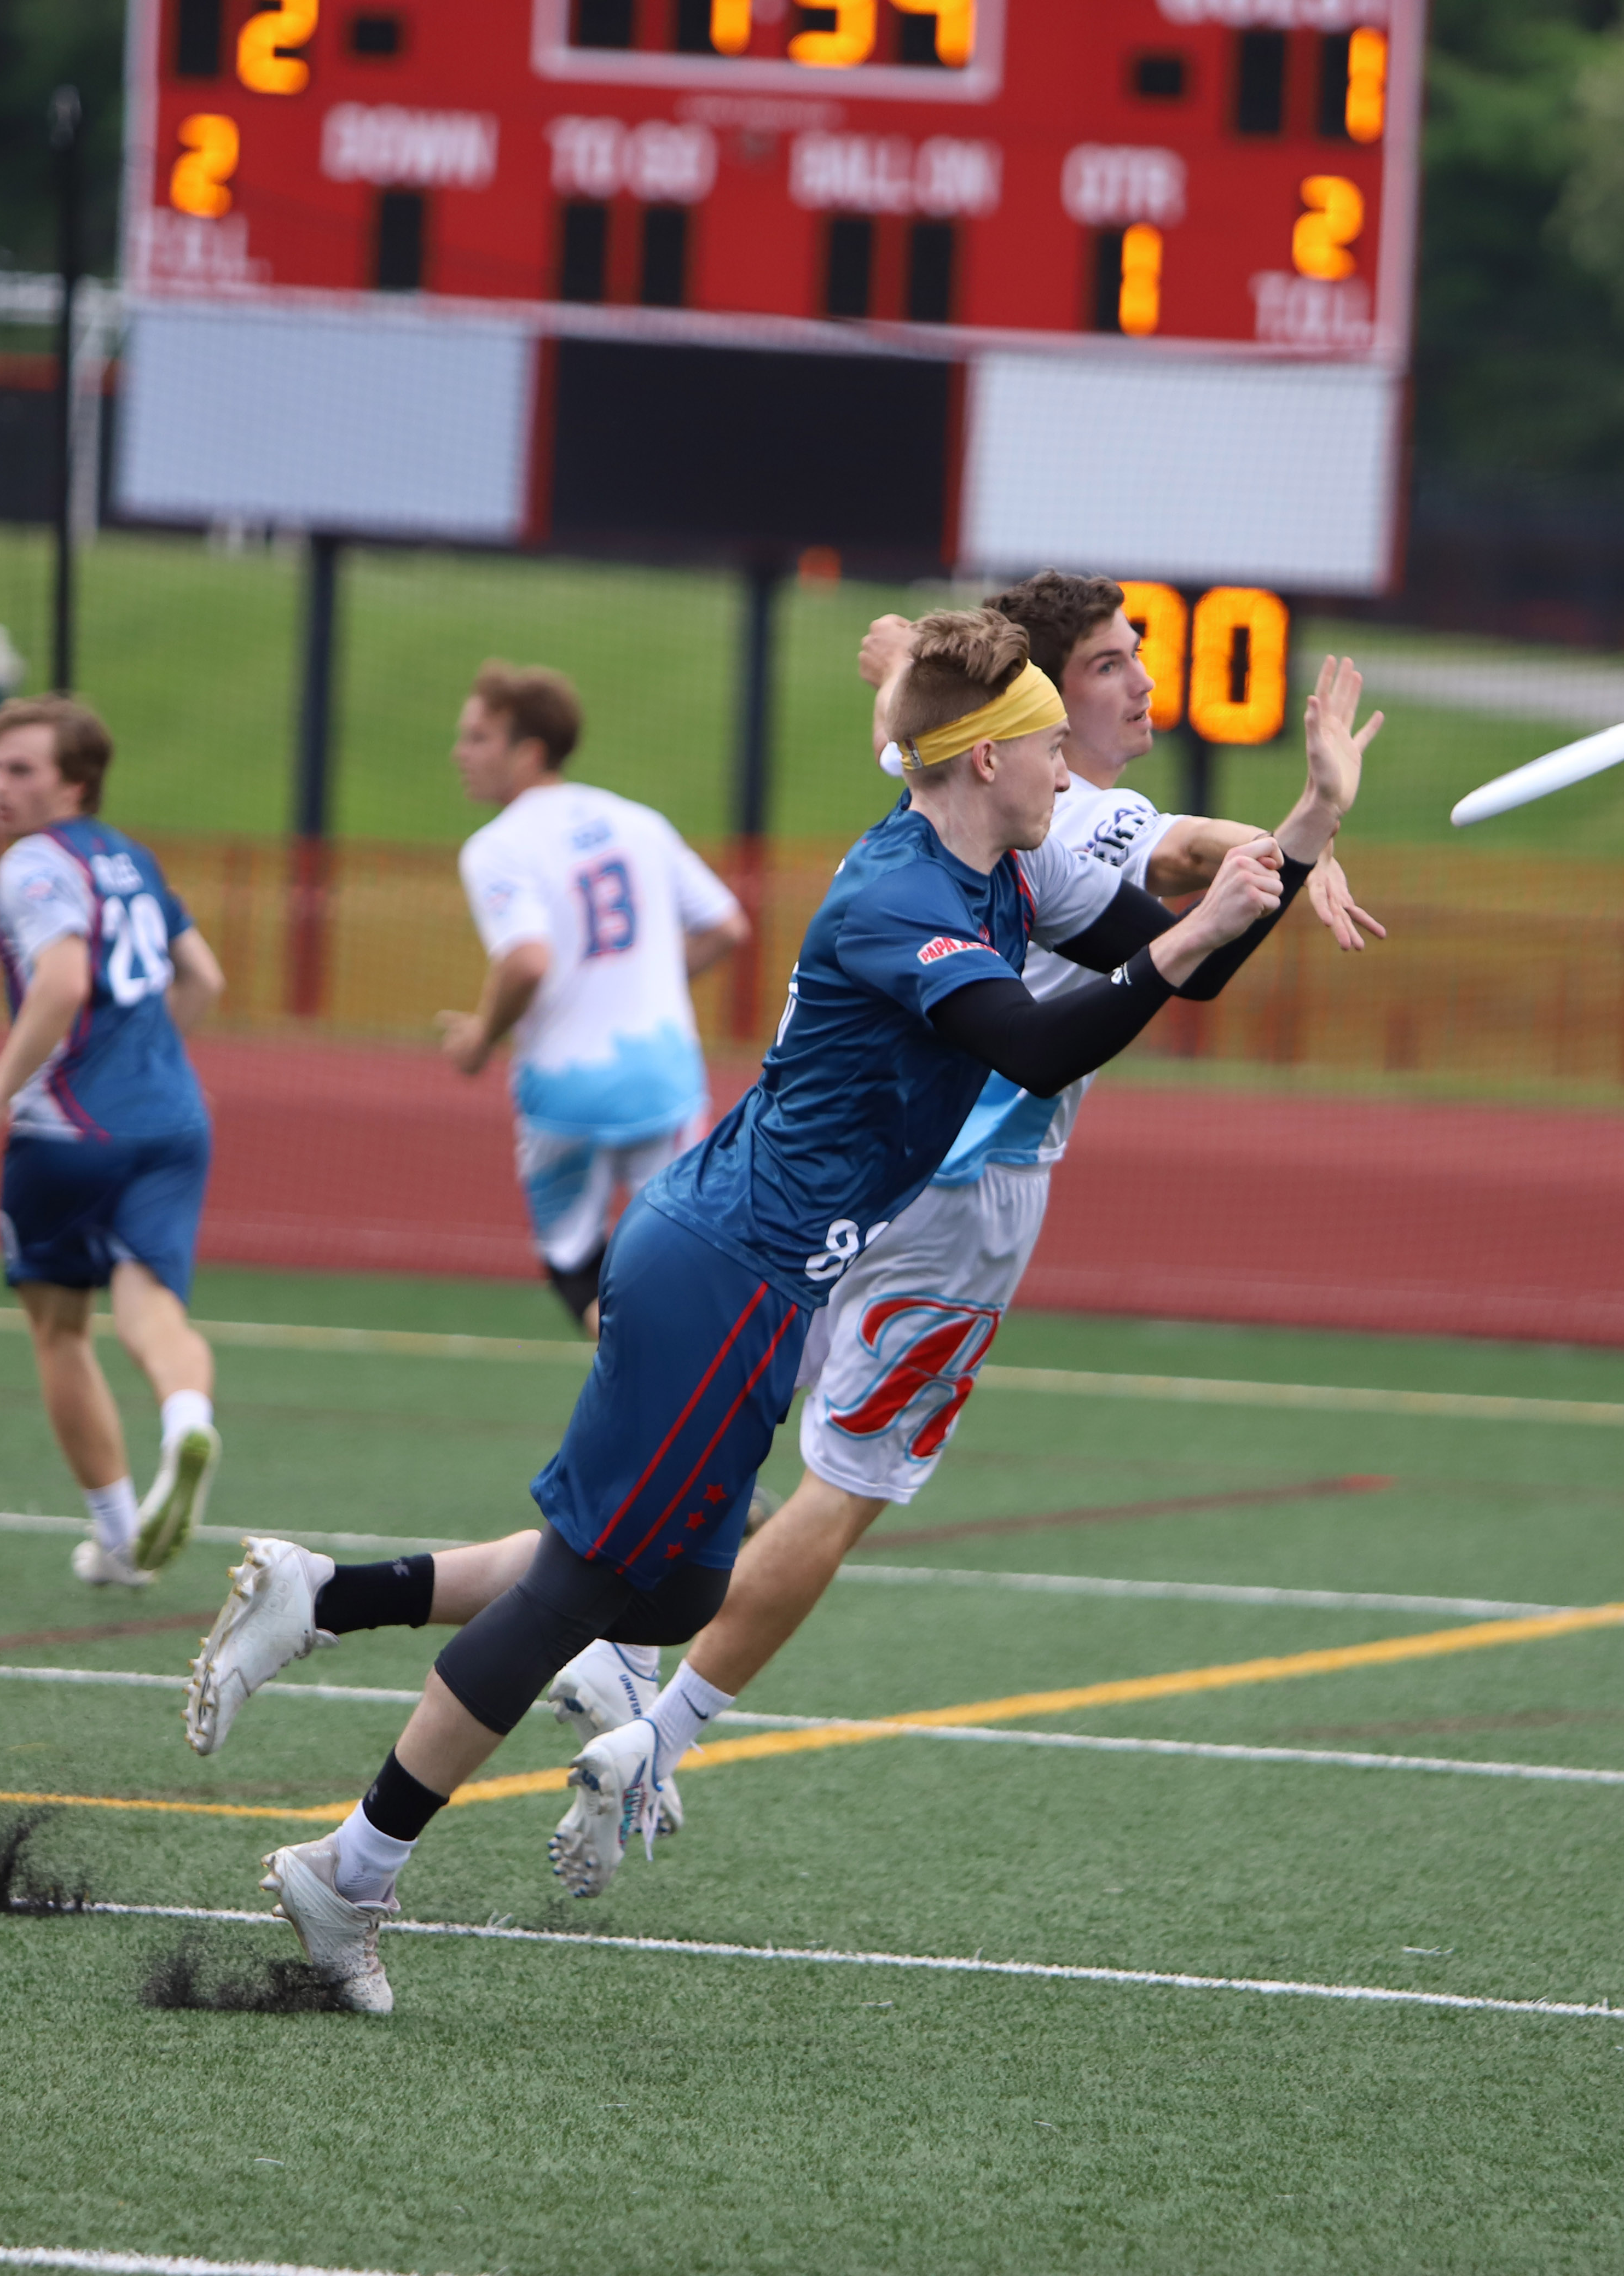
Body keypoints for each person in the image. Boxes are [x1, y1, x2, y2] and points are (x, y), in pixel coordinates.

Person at [178, 607, 1306, 2011]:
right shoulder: (906, 899)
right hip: (726, 1268)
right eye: (1036, 747)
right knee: (589, 1587)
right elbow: (1036, 1037)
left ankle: (328, 1597)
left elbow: (1178, 956)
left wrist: (1298, 839)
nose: (1058, 775)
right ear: (975, 762)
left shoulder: (990, 870)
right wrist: (1189, 925)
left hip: (747, 1268)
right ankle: (348, 1872)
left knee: (672, 1583)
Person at [535, 574, 1383, 1883]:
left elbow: (904, 684)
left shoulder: (948, 774)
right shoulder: (1071, 816)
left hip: (831, 1162)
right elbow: (1177, 886)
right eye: (1106, 665)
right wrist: (1300, 826)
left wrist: (1294, 842)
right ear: (1027, 710)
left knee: (732, 1415)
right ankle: (663, 1727)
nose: (1138, 682)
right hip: (965, 1182)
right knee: (853, 1481)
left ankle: (603, 1643)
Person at [0, 695, 229, 1589]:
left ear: (74, 781)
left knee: (60, 1330)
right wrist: (143, 1059)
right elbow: (204, 978)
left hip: (68, 1130)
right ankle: (186, 1420)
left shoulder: (33, 864)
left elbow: (60, 982)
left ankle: (115, 1538)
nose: (0, 785)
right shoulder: (129, 858)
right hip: (174, 1120)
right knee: (153, 1314)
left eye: (22, 770)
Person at [439, 661, 751, 1334]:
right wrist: (657, 979)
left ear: (529, 752)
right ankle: (691, 1386)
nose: (460, 753)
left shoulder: (497, 847)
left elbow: (526, 961)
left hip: (566, 1094)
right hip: (666, 1079)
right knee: (685, 1254)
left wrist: (479, 1038)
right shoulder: (637, 820)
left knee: (577, 1263)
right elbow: (728, 926)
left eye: (478, 738)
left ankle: (642, 1375)